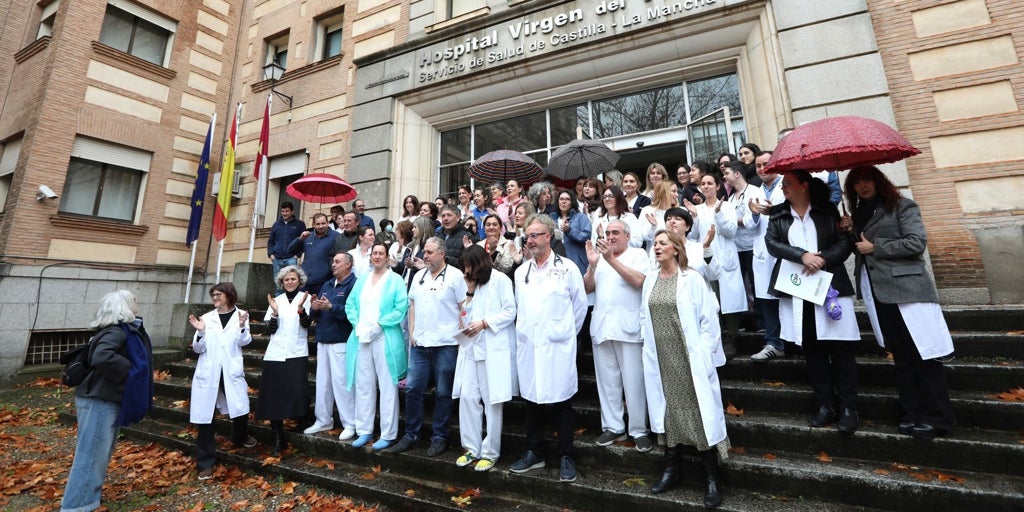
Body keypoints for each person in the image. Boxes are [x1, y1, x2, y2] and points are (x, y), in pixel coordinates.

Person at [841, 166, 955, 439]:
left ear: (879, 181)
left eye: (867, 180)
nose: (863, 186)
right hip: (881, 293)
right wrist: (850, 230)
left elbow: (916, 243)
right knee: (901, 357)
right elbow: (862, 246)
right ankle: (911, 412)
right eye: (857, 183)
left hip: (910, 290)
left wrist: (877, 247)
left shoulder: (903, 206)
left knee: (924, 355)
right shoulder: (859, 214)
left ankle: (938, 418)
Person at [766, 170, 860, 433]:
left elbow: (844, 243)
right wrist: (802, 255)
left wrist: (823, 259)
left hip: (831, 285)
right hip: (799, 289)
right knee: (813, 351)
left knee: (841, 351)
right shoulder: (778, 214)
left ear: (804, 186)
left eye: (788, 184)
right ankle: (825, 405)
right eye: (783, 184)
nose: (784, 188)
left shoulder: (828, 211)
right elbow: (772, 243)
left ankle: (849, 408)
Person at [641, 231, 727, 508]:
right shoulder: (651, 280)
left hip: (688, 358)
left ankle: (713, 478)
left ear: (676, 249)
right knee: (668, 414)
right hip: (661, 358)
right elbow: (645, 315)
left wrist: (703, 354)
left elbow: (708, 321)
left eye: (663, 243)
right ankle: (671, 470)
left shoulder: (692, 279)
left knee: (698, 412)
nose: (657, 248)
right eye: (655, 244)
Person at [509, 215, 588, 483]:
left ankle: (566, 455)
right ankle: (534, 452)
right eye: (527, 236)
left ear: (548, 237)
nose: (529, 240)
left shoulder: (567, 268)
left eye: (534, 235)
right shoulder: (521, 273)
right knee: (531, 401)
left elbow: (579, 307)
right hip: (530, 345)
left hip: (558, 346)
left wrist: (564, 333)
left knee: (562, 402)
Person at [61, 290, 154, 510]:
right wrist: (132, 371)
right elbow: (102, 357)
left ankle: (88, 498)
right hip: (99, 400)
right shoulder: (116, 332)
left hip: (103, 398)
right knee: (91, 455)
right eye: (133, 301)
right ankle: (77, 506)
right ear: (124, 307)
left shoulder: (117, 331)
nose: (136, 305)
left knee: (97, 454)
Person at [390, 238, 468, 457]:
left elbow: (463, 308)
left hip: (446, 344)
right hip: (420, 344)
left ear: (442, 253)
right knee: (413, 389)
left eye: (430, 252)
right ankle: (411, 434)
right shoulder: (419, 276)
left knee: (444, 393)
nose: (425, 255)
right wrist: (412, 332)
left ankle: (439, 437)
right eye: (425, 251)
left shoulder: (455, 276)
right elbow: (412, 304)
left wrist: (462, 340)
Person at [582, 220, 651, 452]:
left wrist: (611, 260)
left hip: (629, 328)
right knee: (607, 382)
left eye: (616, 233)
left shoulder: (638, 254)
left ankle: (639, 430)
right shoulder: (599, 258)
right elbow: (587, 288)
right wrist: (592, 266)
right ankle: (613, 426)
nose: (610, 237)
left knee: (634, 382)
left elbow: (639, 281)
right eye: (608, 233)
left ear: (627, 236)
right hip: (602, 327)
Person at [453, 245, 518, 471]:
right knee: (468, 397)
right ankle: (471, 447)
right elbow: (464, 314)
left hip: (493, 347)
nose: (466, 271)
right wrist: (469, 292)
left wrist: (485, 324)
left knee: (492, 401)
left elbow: (510, 311)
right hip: (471, 348)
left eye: (469, 266)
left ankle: (490, 451)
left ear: (479, 263)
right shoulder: (471, 284)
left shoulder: (501, 280)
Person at [346, 242, 409, 451]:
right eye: (375, 253)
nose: (378, 256)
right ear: (370, 256)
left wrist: (380, 324)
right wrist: (358, 324)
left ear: (387, 257)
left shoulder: (395, 280)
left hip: (384, 338)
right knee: (363, 385)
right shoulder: (362, 280)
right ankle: (364, 429)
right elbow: (351, 303)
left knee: (387, 386)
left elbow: (401, 307)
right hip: (363, 338)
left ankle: (388, 433)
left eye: (381, 253)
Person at [188, 284, 253, 482]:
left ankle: (240, 436)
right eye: (213, 295)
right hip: (209, 371)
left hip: (230, 370)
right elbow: (198, 349)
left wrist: (242, 327)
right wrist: (200, 333)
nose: (215, 298)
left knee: (241, 406)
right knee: (205, 417)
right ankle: (205, 463)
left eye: (218, 294)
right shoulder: (206, 318)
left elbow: (245, 341)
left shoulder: (241, 315)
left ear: (229, 296)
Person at [690, 171, 746, 358]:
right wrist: (694, 217)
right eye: (703, 184)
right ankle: (718, 336)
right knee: (712, 300)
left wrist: (719, 213)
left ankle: (732, 338)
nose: (706, 186)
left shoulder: (728, 207)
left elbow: (731, 231)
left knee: (730, 301)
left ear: (717, 186)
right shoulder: (698, 209)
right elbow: (693, 236)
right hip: (707, 258)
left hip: (726, 258)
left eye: (709, 183)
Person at [258, 266, 312, 455]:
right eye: (286, 280)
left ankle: (300, 423)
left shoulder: (306, 298)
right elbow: (271, 329)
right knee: (274, 395)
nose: (289, 282)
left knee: (298, 390)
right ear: (282, 282)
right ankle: (278, 437)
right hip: (276, 353)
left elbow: (307, 324)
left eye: (293, 279)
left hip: (296, 352)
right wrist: (274, 312)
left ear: (299, 281)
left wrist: (300, 310)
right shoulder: (276, 301)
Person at [305, 253, 358, 441]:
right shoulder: (327, 284)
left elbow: (354, 312)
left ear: (348, 265)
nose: (333, 264)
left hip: (341, 340)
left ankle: (350, 422)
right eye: (332, 261)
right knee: (323, 382)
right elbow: (315, 314)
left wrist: (331, 307)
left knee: (342, 384)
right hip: (323, 338)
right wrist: (315, 307)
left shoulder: (354, 284)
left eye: (337, 262)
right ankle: (323, 419)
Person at [749, 151, 786, 361]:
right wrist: (754, 214)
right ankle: (773, 342)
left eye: (766, 164)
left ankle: (791, 340)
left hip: (784, 250)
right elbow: (748, 223)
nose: (762, 169)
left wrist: (776, 211)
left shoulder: (787, 185)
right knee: (767, 299)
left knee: (787, 299)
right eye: (758, 166)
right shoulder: (755, 190)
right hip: (763, 252)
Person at [724, 161, 766, 329]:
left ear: (737, 174)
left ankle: (761, 321)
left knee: (757, 284)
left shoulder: (755, 192)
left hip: (753, 246)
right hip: (736, 247)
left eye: (727, 173)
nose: (724, 177)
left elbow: (753, 220)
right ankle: (743, 321)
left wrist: (733, 222)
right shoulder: (731, 197)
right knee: (739, 285)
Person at [288, 213, 339, 293]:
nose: (321, 226)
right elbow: (290, 251)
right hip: (305, 281)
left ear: (328, 223)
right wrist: (300, 239)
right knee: (303, 305)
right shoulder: (308, 236)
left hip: (324, 282)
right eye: (318, 224)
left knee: (319, 305)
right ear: (313, 225)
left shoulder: (336, 236)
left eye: (323, 223)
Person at [664, 207, 712, 285]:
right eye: (668, 219)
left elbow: (714, 275)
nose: (672, 221)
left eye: (678, 219)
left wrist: (706, 247)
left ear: (687, 227)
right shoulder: (657, 248)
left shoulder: (698, 248)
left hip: (696, 293)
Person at [550, 189, 592, 274]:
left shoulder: (581, 217)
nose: (564, 202)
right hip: (556, 262)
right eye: (561, 199)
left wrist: (569, 230)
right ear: (557, 201)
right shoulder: (551, 219)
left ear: (572, 202)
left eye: (567, 199)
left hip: (576, 261)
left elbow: (587, 237)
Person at [267, 202, 306, 293]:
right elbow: (271, 241)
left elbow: (303, 241)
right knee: (279, 285)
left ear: (292, 212)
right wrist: (271, 254)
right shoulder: (276, 225)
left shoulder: (299, 224)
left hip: (292, 258)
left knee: (293, 283)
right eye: (283, 211)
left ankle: (291, 303)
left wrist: (298, 255)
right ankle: (279, 306)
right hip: (277, 259)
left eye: (287, 211)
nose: (284, 213)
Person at [638, 181, 678, 259]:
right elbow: (642, 236)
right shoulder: (648, 210)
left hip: (676, 256)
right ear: (663, 193)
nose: (677, 195)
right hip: (655, 257)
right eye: (673, 191)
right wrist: (653, 226)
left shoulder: (680, 211)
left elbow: (689, 235)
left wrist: (694, 217)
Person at [438, 205, 474, 269]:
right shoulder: (437, 236)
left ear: (458, 217)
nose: (445, 218)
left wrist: (445, 259)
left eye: (449, 215)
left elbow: (466, 264)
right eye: (443, 216)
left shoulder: (467, 238)